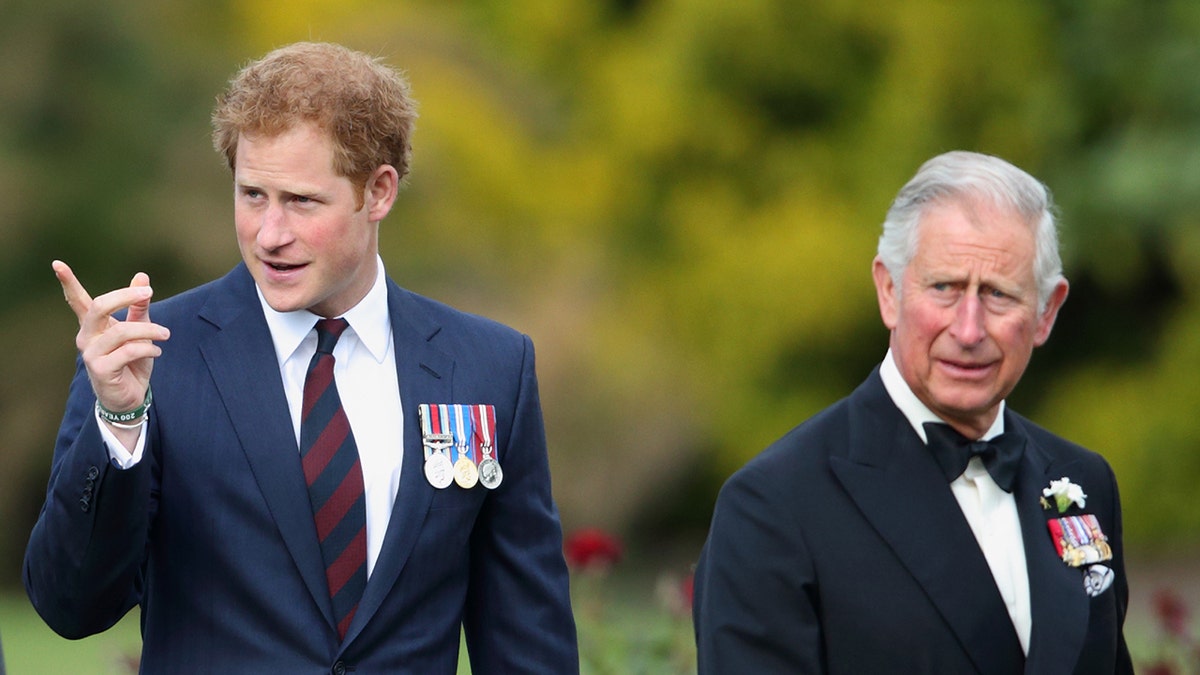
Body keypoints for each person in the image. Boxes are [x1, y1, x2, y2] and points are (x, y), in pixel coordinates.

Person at [25, 41, 578, 673]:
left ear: (379, 193)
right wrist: (121, 422)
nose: (270, 234)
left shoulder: (489, 367)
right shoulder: (147, 357)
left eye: (301, 201)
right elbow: (70, 607)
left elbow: (527, 643)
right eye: (252, 194)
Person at [693, 151, 1133, 674]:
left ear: (1045, 313)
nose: (968, 330)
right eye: (944, 288)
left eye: (997, 294)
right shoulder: (773, 506)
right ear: (889, 291)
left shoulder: (1084, 482)